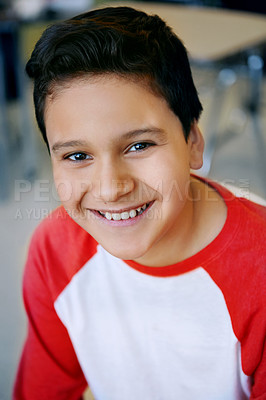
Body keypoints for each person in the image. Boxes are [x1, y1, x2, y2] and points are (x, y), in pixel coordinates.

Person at [13, 6, 265, 400]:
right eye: (77, 156)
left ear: (193, 143)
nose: (111, 189)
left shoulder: (260, 270)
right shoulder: (54, 251)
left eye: (139, 145)